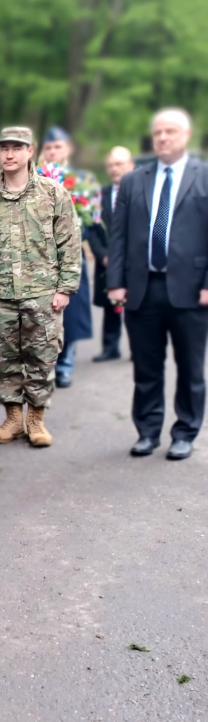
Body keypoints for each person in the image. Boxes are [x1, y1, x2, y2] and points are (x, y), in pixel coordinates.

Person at [0, 127, 81, 447]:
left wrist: (65, 288)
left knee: (42, 357)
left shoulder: (53, 193)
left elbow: (69, 243)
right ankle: (13, 417)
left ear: (31, 152)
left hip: (43, 294)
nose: (9, 154)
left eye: (17, 148)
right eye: (4, 147)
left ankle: (36, 419)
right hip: (1, 295)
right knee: (5, 358)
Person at [107, 108, 208, 460]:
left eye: (171, 131)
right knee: (146, 367)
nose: (163, 137)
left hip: (193, 290)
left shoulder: (204, 176)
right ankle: (148, 431)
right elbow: (118, 235)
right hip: (142, 288)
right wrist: (115, 282)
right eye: (158, 132)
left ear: (186, 134)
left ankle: (185, 431)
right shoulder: (134, 180)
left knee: (190, 368)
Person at [39, 127, 97, 387]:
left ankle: (66, 364)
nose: (53, 152)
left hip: (71, 255)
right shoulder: (34, 178)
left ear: (68, 149)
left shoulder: (81, 180)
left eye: (58, 147)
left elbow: (93, 218)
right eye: (49, 148)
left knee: (70, 314)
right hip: (40, 258)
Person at [88, 147, 134, 361]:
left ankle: (138, 348)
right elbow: (93, 231)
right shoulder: (99, 197)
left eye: (119, 164)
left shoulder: (142, 191)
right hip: (106, 262)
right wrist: (103, 255)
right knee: (110, 306)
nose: (115, 169)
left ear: (131, 165)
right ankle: (110, 347)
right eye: (111, 165)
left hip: (135, 262)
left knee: (136, 307)